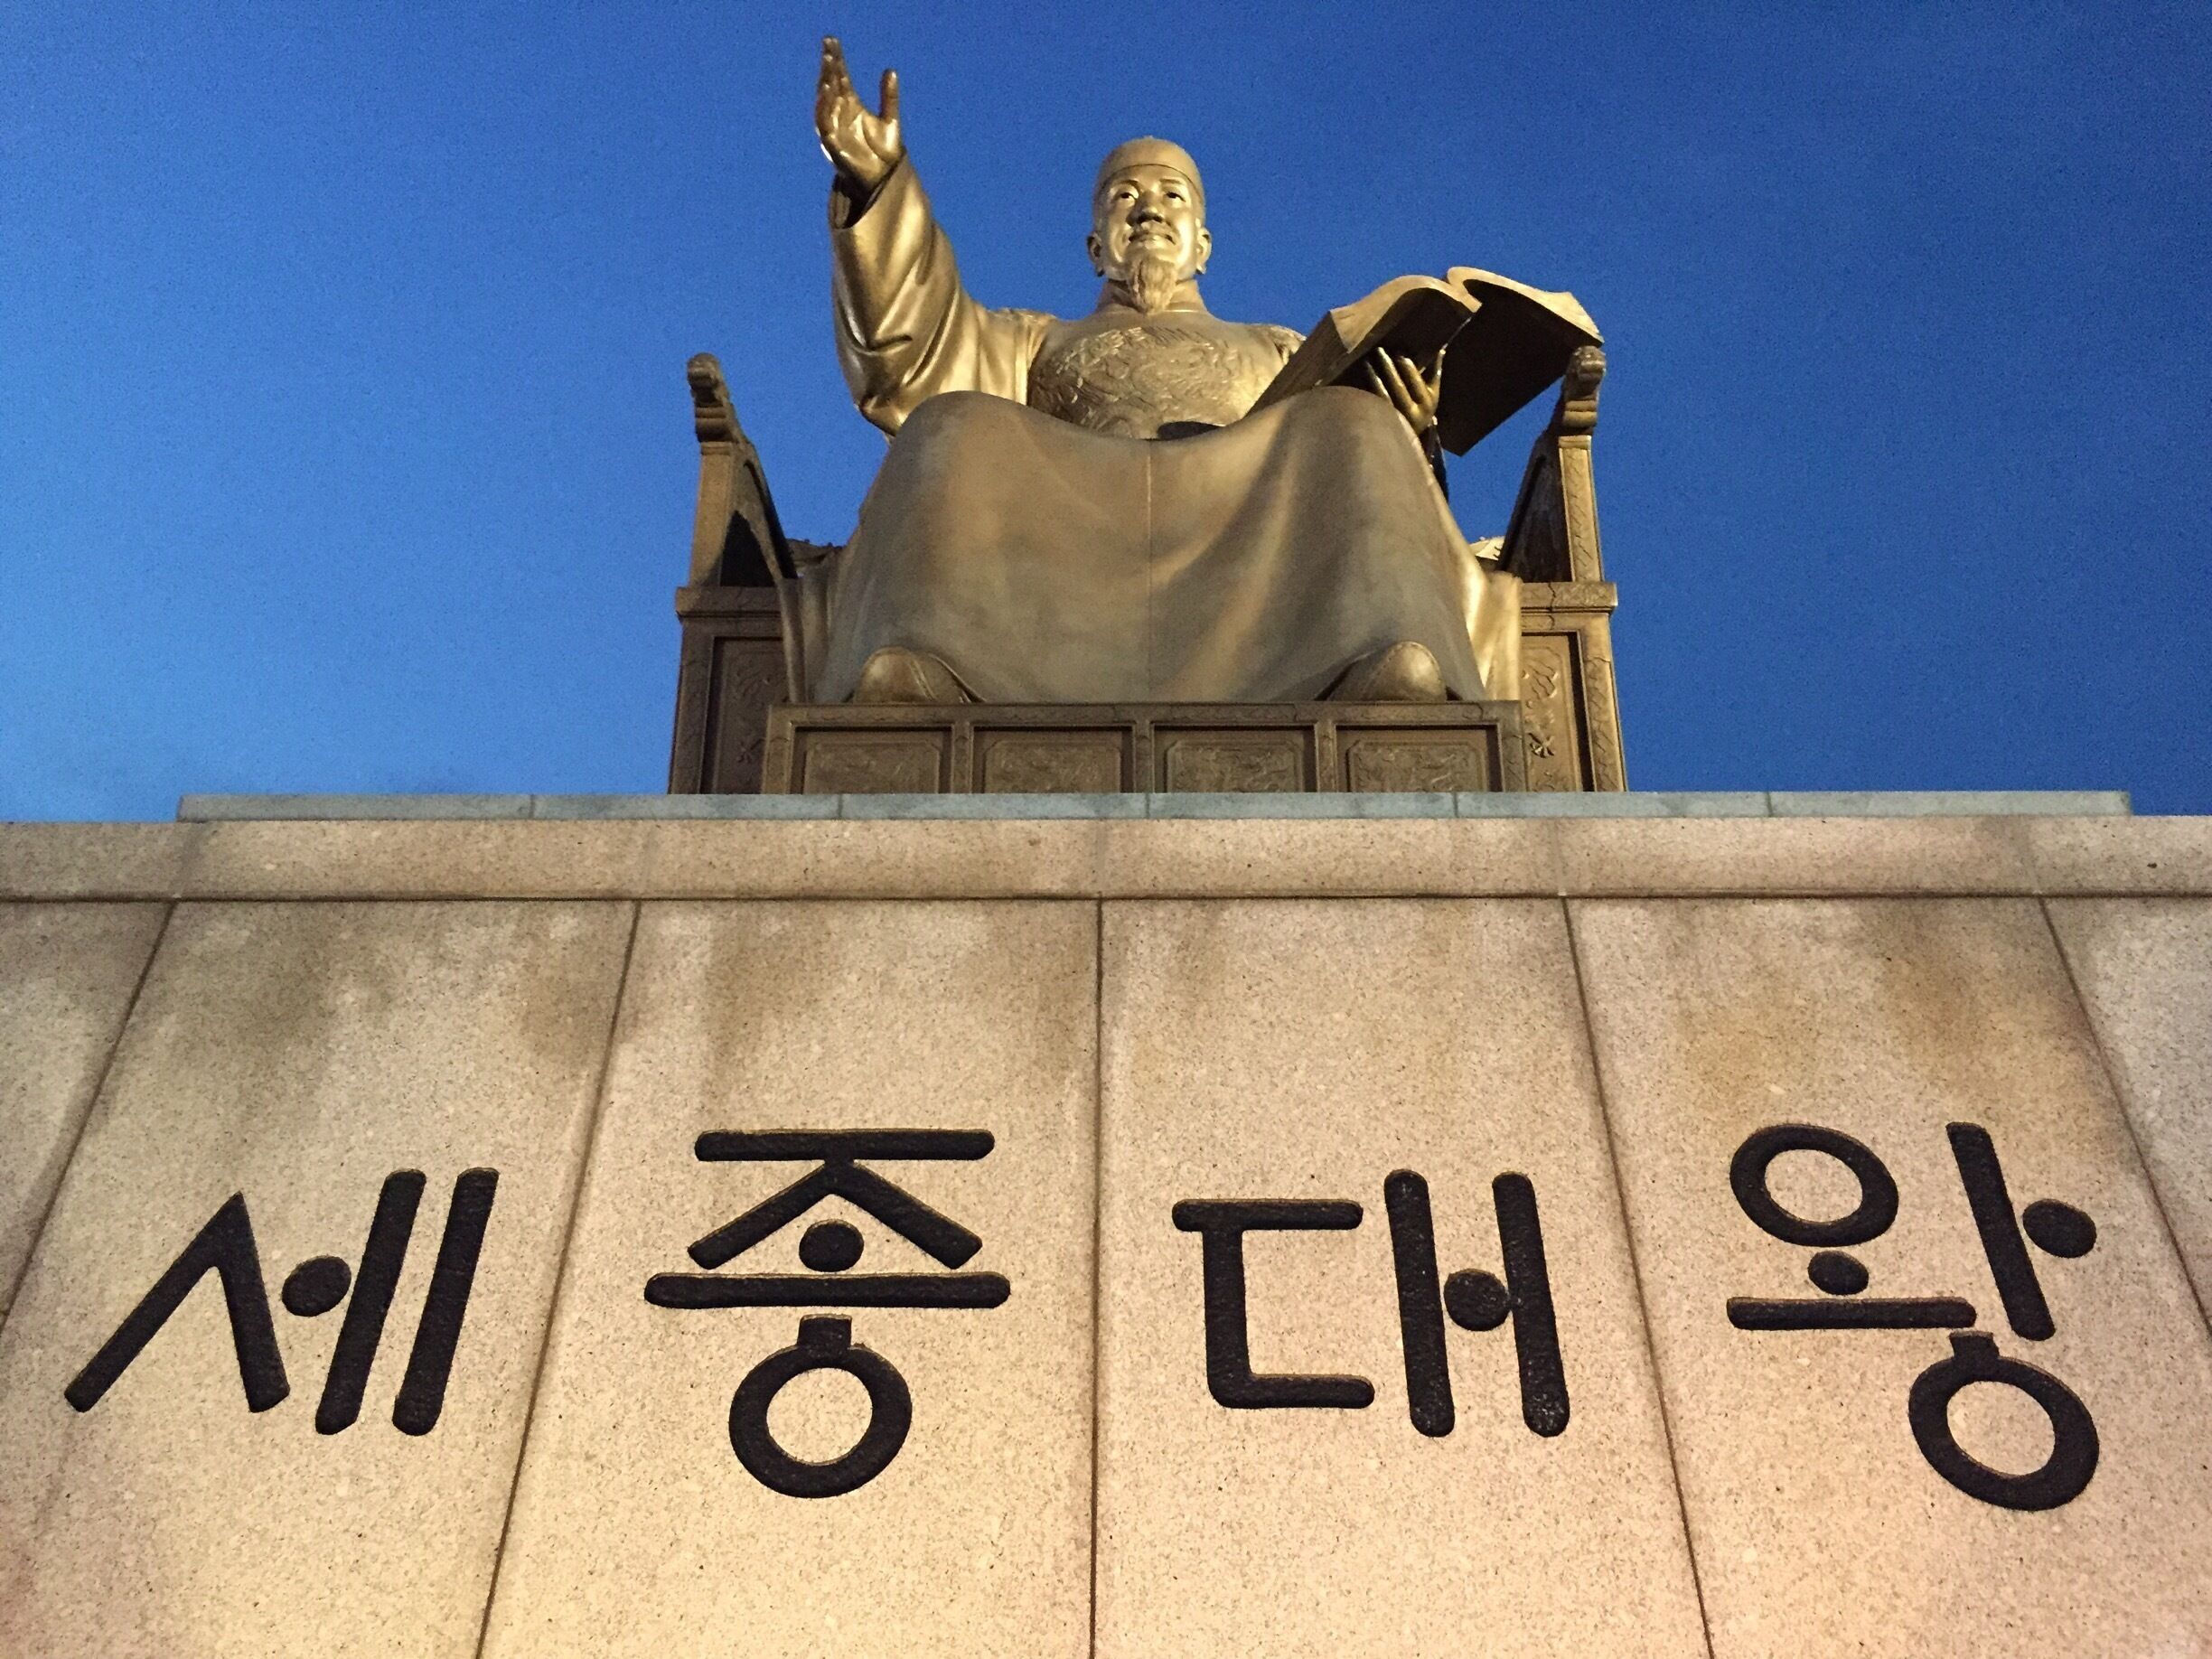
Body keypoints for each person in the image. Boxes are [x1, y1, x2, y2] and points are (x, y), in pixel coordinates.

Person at [808, 36, 1504, 707]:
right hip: (1067, 543)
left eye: (1172, 197)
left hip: (1242, 546)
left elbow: (1333, 483)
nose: (1147, 209)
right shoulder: (1033, 340)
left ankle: (1377, 650)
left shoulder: (1279, 347)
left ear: (1202, 245)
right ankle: (929, 659)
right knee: (948, 419)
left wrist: (1409, 433)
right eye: (1123, 197)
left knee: (1352, 418)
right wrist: (879, 189)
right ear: (1093, 247)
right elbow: (915, 354)